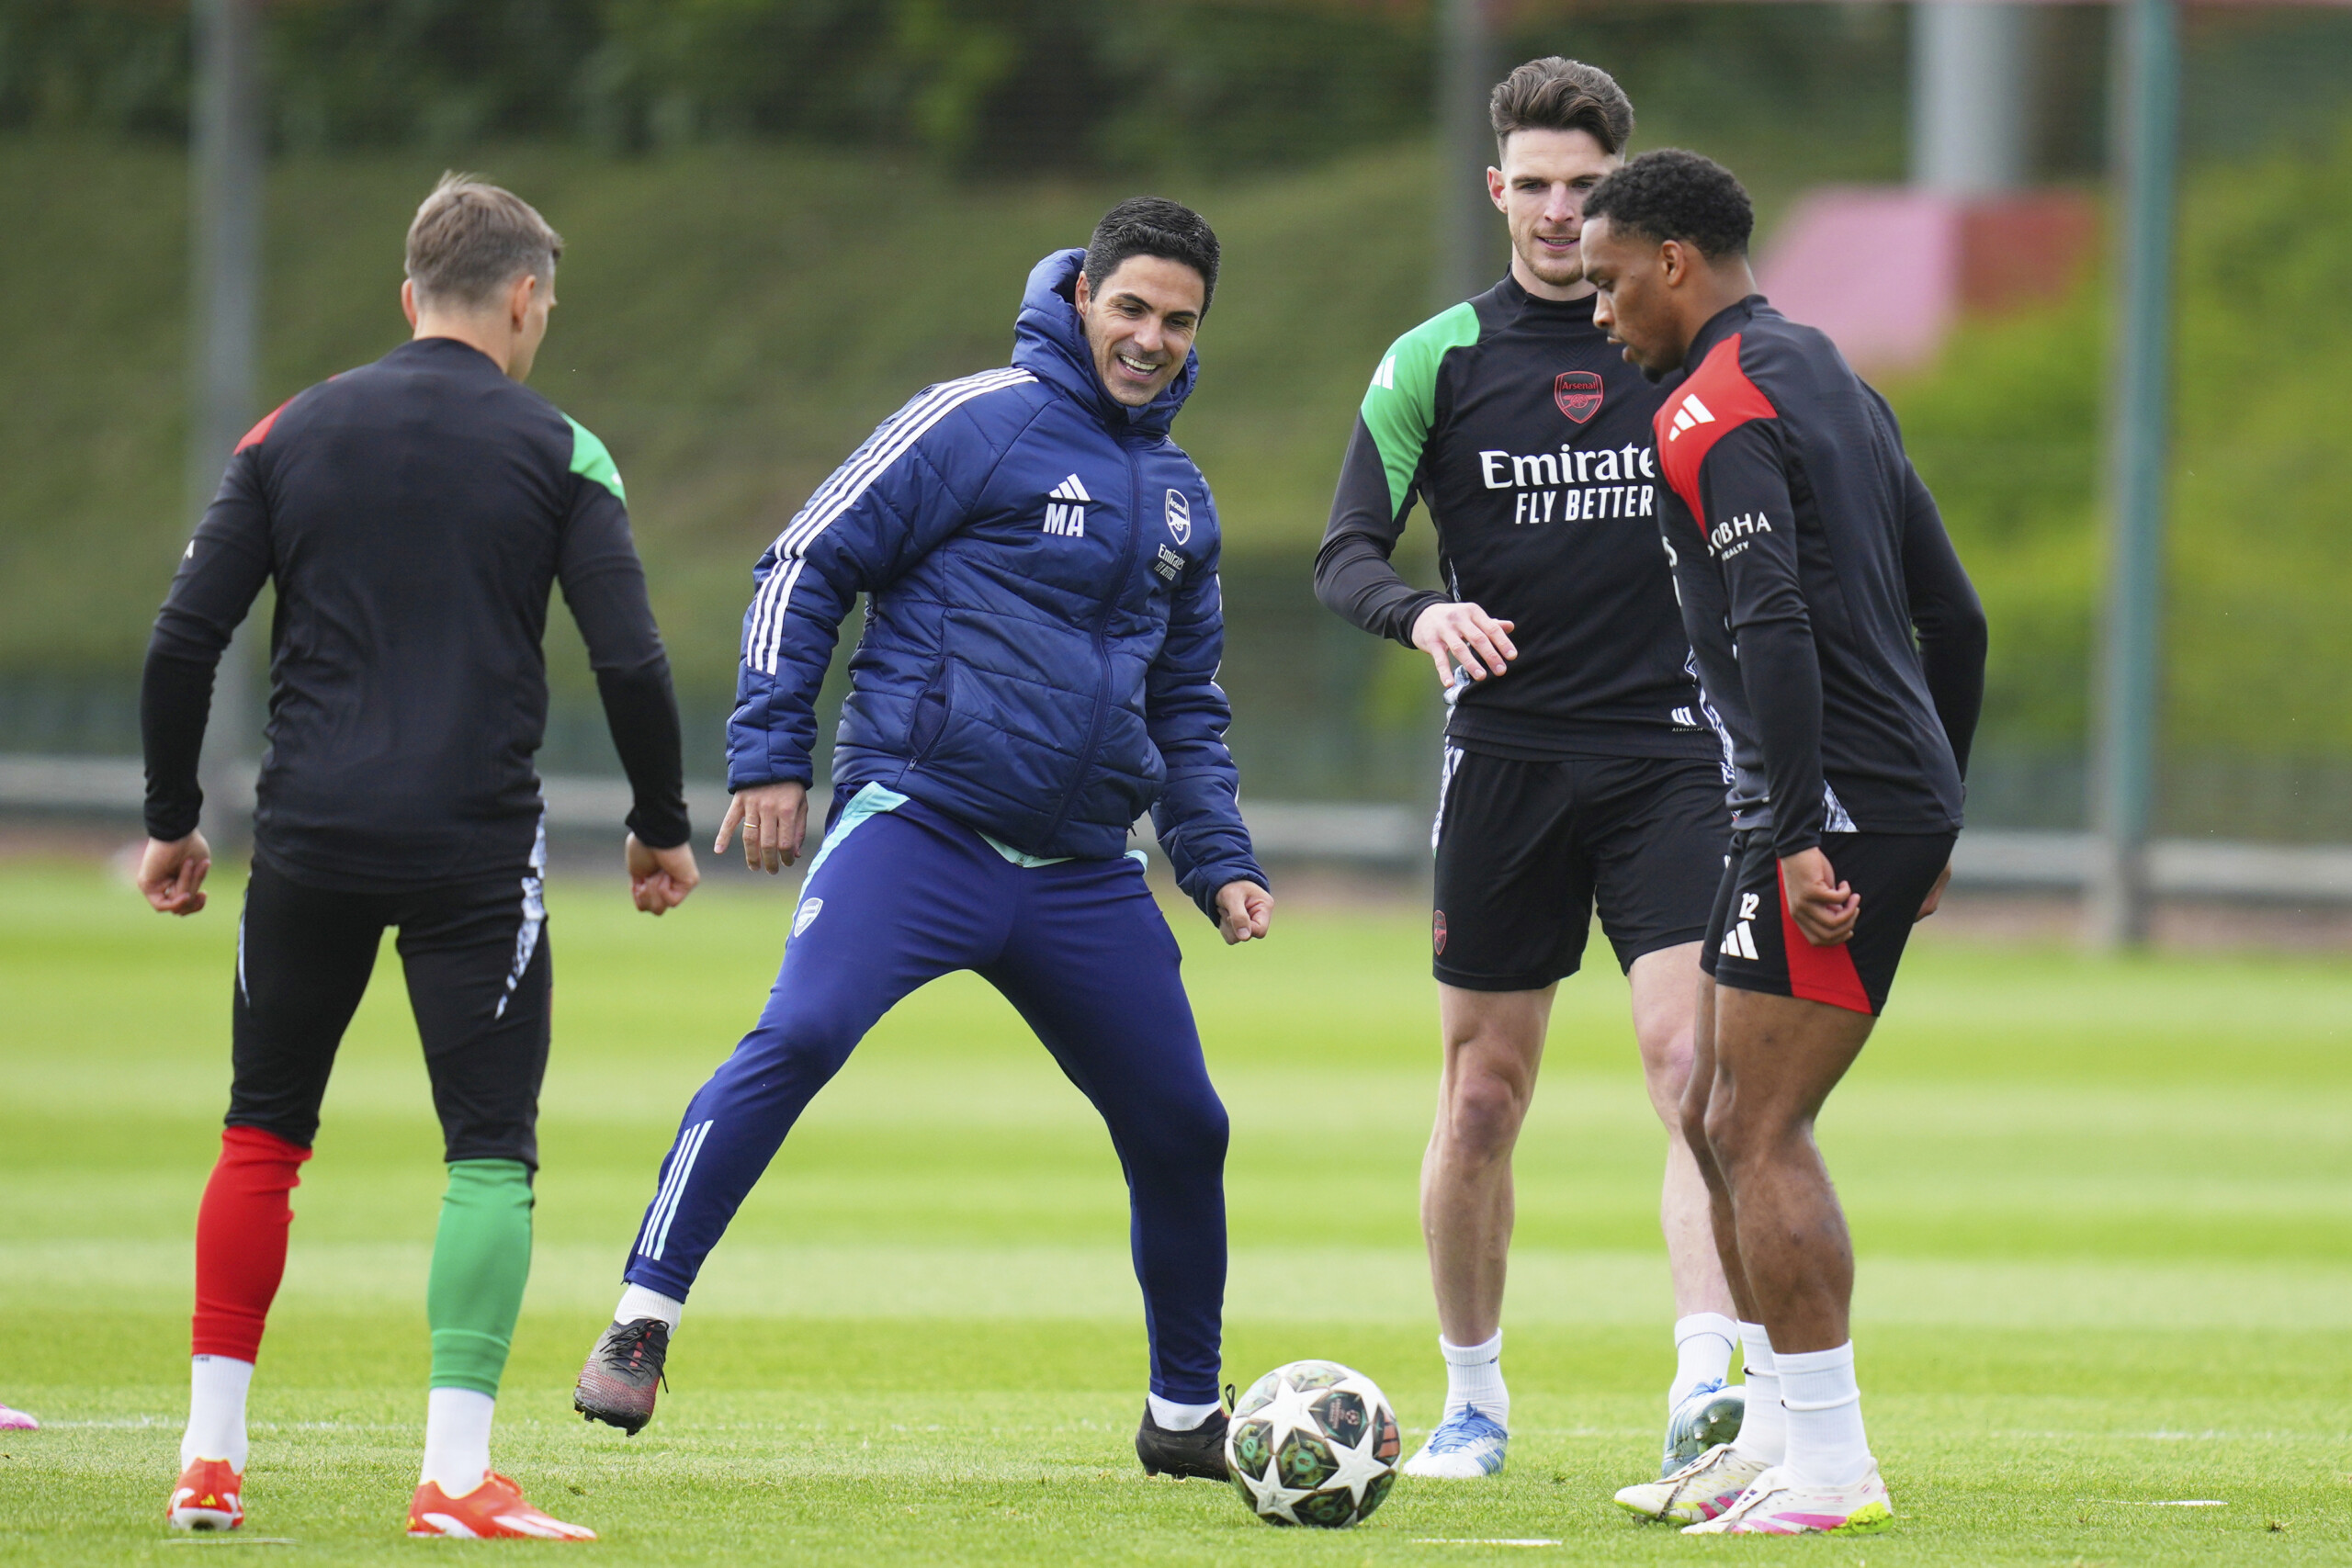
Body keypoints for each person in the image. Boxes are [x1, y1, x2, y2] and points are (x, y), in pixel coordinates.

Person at [571, 197, 1272, 1483]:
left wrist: (1217, 858)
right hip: (925, 826)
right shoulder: (976, 417)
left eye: (1178, 322)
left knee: (1185, 1126)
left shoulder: (1182, 500)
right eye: (1131, 309)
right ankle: (642, 1318)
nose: (1150, 338)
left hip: (1083, 875)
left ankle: (1183, 1417)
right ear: (1081, 301)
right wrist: (773, 757)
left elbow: (1187, 702)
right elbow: (805, 563)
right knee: (801, 1033)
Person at [140, 174, 699, 1540]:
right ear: (522, 299)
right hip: (470, 851)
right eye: (545, 309)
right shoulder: (562, 450)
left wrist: (171, 818)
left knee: (260, 1135)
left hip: (309, 841)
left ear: (407, 297)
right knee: (490, 1153)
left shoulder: (287, 435)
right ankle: (453, 1474)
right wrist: (660, 824)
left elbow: (181, 640)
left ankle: (209, 1459)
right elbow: (627, 653)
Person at [1314, 57, 1742, 1482]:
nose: (1562, 213)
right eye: (1537, 185)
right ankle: (1474, 1405)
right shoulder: (1432, 358)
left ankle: (1706, 1387)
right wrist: (1418, 610)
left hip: (1672, 757)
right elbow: (1345, 553)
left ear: (1618, 192)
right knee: (1483, 1099)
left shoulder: (1677, 338)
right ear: (1496, 187)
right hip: (1503, 761)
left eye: (1585, 187)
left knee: (1692, 1071)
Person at [1578, 150, 1986, 1534]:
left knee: (1758, 1123)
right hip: (1875, 795)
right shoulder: (1837, 380)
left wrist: (1811, 824)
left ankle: (1832, 1467)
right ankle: (1765, 1438)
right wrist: (1942, 803)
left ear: (1676, 262)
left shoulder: (1711, 406)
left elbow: (1775, 624)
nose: (1600, 311)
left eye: (1611, 279)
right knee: (1709, 1110)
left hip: (1828, 805)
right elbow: (1960, 616)